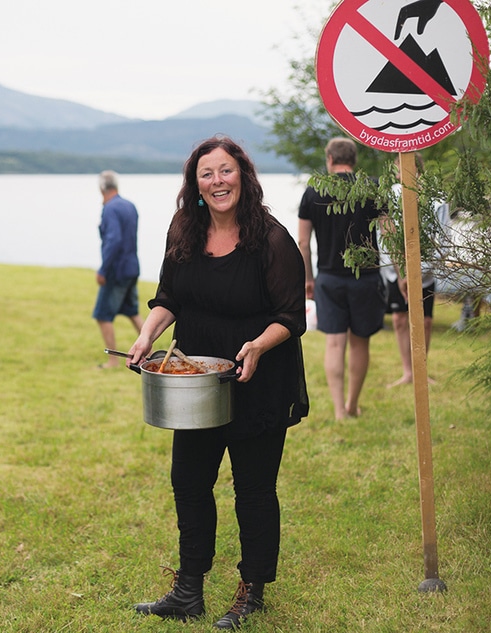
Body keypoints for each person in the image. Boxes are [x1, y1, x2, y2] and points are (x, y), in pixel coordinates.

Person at [127, 137, 309, 630]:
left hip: (257, 378)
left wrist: (256, 346)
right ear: (195, 184)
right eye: (206, 174)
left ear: (243, 176)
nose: (217, 181)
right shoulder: (184, 230)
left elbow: (292, 316)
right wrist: (147, 334)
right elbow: (169, 296)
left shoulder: (271, 239)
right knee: (188, 483)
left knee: (252, 491)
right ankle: (189, 590)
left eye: (225, 171)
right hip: (196, 381)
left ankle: (252, 592)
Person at [298, 137, 387, 420]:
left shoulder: (313, 191)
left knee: (335, 343)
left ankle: (339, 411)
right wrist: (401, 274)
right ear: (354, 159)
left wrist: (307, 278)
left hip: (328, 278)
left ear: (329, 159)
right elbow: (390, 233)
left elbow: (302, 242)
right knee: (360, 342)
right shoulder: (373, 188)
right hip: (367, 278)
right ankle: (352, 404)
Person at [380, 154, 449, 387]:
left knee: (425, 321)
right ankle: (407, 371)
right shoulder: (390, 195)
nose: (398, 174)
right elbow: (386, 236)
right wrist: (403, 272)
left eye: (400, 169)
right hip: (396, 271)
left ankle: (421, 371)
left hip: (425, 274)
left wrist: (417, 272)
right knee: (400, 318)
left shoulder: (436, 200)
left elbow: (444, 242)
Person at [93, 171, 144, 369]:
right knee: (132, 311)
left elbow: (113, 240)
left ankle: (113, 360)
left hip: (117, 270)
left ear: (101, 188)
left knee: (103, 315)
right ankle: (150, 350)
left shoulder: (110, 209)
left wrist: (103, 270)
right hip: (132, 267)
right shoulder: (129, 205)